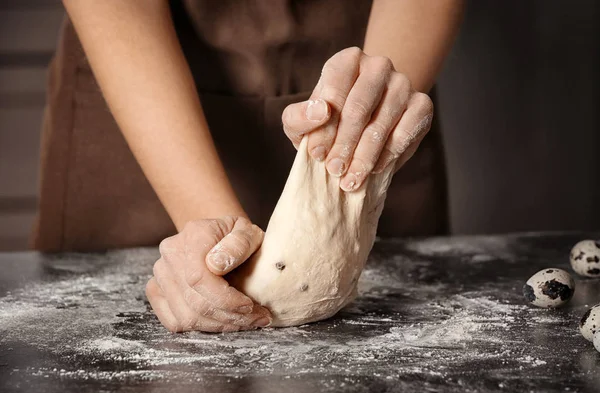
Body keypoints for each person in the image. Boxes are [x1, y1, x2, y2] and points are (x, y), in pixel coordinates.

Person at [33, 0, 464, 332]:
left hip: (366, 61)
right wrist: (215, 241)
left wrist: (372, 104)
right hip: (142, 78)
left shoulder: (370, 96)